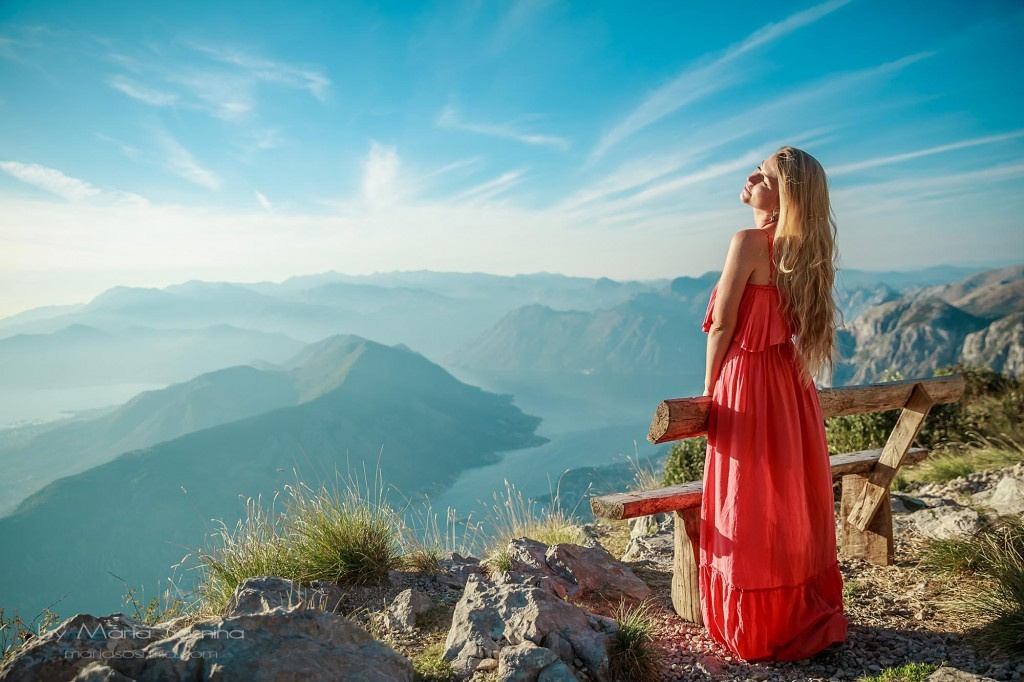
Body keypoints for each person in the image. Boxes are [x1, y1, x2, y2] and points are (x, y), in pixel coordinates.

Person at [698, 146, 848, 661]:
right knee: (787, 497)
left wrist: (708, 389)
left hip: (749, 383)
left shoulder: (747, 242)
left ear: (784, 194)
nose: (749, 179)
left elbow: (722, 325)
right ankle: (798, 609)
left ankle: (756, 624)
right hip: (791, 385)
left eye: (760, 176)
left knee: (748, 498)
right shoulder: (810, 252)